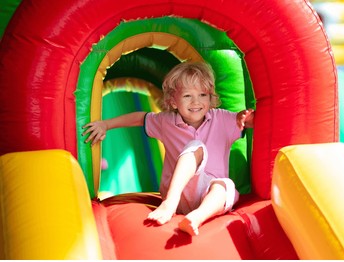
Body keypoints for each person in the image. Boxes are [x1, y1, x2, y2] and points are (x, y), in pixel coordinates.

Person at [82, 61, 254, 236]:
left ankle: (196, 218)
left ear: (211, 98)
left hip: (210, 196)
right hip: (179, 194)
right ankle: (169, 204)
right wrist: (106, 124)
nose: (196, 101)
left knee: (226, 185)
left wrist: (248, 117)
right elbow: (140, 118)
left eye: (203, 94)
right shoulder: (166, 121)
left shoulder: (223, 119)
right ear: (173, 101)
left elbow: (251, 121)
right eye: (187, 96)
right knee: (196, 147)